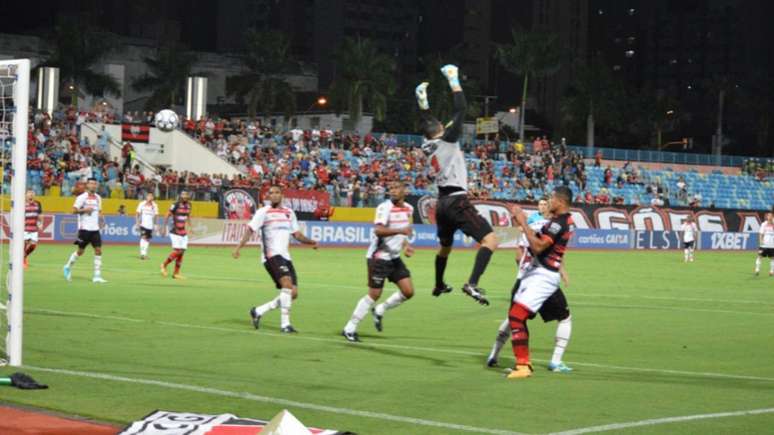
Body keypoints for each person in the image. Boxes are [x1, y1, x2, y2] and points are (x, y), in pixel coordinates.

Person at [416, 64, 498, 305]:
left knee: (445, 247)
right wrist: (453, 79)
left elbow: (426, 120)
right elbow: (461, 109)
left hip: (441, 203)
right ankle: (472, 283)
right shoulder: (447, 140)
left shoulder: (427, 144)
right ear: (440, 129)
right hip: (456, 200)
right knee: (490, 240)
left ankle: (439, 283)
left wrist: (422, 99)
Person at [486, 199, 573, 373]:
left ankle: (495, 355)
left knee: (514, 318)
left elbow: (520, 255)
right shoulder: (550, 224)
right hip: (541, 280)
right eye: (543, 204)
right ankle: (551, 361)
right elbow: (547, 250)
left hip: (526, 278)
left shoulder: (539, 225)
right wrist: (559, 269)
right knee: (563, 318)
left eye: (546, 203)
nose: (545, 206)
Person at [506, 186, 576, 379]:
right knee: (515, 316)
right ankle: (523, 363)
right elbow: (537, 240)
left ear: (560, 202)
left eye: (552, 198)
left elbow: (538, 246)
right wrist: (526, 228)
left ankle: (523, 366)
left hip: (544, 275)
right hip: (537, 273)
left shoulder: (558, 224)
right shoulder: (561, 221)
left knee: (516, 316)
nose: (549, 201)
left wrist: (522, 222)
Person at [232, 186, 318, 333]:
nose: (274, 195)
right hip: (271, 255)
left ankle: (258, 311)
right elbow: (250, 230)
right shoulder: (263, 212)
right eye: (271, 193)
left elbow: (297, 234)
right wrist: (239, 247)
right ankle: (285, 324)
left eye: (277, 192)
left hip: (285, 256)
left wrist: (311, 242)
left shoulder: (289, 212)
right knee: (287, 284)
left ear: (282, 195)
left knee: (293, 293)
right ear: (268, 196)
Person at [342, 181, 415, 342]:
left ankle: (380, 309)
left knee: (408, 291)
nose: (393, 191)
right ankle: (350, 327)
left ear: (405, 190)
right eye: (391, 189)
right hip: (379, 257)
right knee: (374, 294)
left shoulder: (409, 209)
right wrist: (401, 231)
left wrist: (406, 245)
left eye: (396, 188)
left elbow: (403, 232)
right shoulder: (384, 207)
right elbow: (379, 230)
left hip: (394, 257)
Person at [63, 177, 106, 283]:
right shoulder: (82, 197)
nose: (93, 185)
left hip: (95, 229)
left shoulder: (98, 198)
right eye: (91, 183)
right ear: (87, 185)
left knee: (98, 250)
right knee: (80, 251)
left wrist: (102, 220)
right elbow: (74, 211)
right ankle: (67, 266)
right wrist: (84, 210)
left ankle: (97, 276)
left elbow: (99, 211)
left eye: (95, 184)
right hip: (84, 229)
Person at [161, 191, 193, 279]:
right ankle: (164, 265)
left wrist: (190, 227)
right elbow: (167, 214)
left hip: (183, 231)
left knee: (182, 252)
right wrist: (163, 227)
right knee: (178, 251)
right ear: (180, 196)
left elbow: (188, 216)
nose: (184, 196)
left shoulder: (189, 205)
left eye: (186, 194)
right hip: (174, 230)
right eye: (183, 194)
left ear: (188, 196)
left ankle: (176, 273)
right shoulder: (175, 204)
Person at [23, 190, 43, 269]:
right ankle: (23, 261)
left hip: (34, 228)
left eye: (32, 193)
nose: (31, 195)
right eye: (29, 193)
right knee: (24, 243)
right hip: (24, 227)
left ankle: (24, 256)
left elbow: (40, 214)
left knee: (33, 245)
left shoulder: (38, 203)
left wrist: (41, 223)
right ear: (26, 195)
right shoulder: (22, 203)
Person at [136, 192, 158, 260]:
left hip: (150, 225)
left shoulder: (154, 205)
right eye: (149, 196)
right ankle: (143, 254)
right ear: (146, 197)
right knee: (143, 237)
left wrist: (155, 225)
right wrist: (137, 223)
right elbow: (137, 213)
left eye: (151, 196)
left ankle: (144, 253)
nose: (150, 197)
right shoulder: (142, 204)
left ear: (153, 197)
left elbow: (156, 215)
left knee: (147, 239)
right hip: (143, 224)